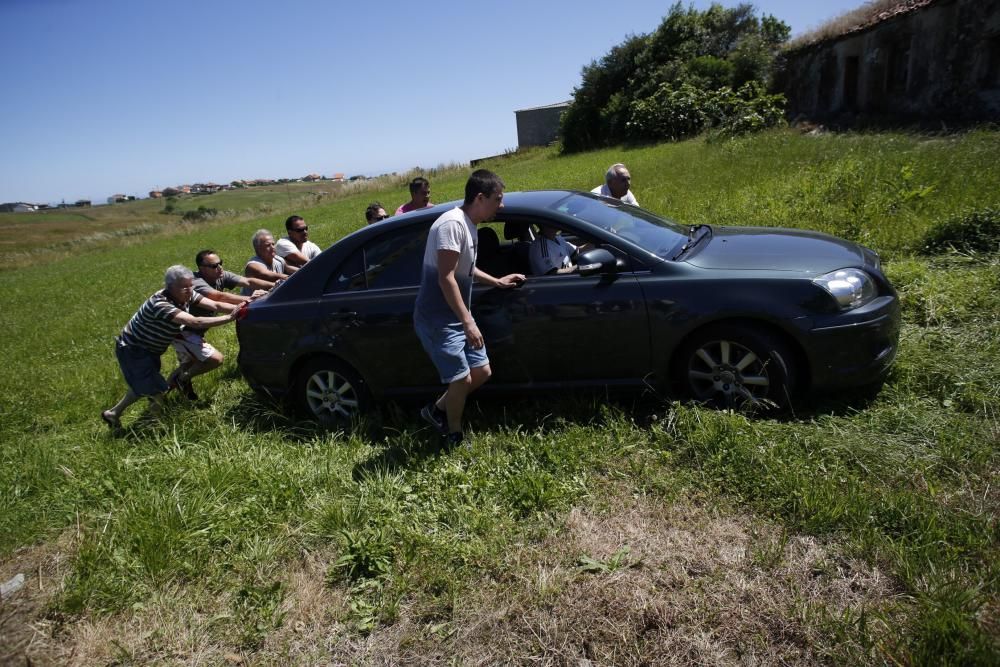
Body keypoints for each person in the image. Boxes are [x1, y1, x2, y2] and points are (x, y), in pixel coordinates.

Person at [413, 169, 525, 445]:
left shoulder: (469, 224)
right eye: (498, 198)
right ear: (479, 197)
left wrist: (497, 281)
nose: (502, 205)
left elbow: (467, 268)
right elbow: (446, 277)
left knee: (482, 371)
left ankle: (435, 410)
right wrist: (468, 321)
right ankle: (453, 433)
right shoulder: (451, 225)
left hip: (456, 314)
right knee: (461, 379)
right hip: (438, 318)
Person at [101, 265, 238, 431]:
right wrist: (231, 317)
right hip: (133, 349)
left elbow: (215, 305)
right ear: (170, 286)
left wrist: (244, 307)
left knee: (143, 385)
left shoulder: (186, 293)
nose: (189, 290)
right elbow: (194, 321)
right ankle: (154, 427)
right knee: (158, 391)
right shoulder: (160, 304)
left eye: (190, 285)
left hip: (150, 350)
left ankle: (112, 414)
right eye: (184, 287)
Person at [172, 250, 271, 400]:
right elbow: (219, 298)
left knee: (188, 364)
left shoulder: (220, 275)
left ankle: (164, 393)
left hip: (194, 331)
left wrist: (277, 286)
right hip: (183, 331)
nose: (219, 268)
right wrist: (250, 299)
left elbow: (249, 281)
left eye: (220, 263)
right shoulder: (196, 282)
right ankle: (179, 382)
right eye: (213, 265)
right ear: (201, 268)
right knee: (213, 360)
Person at [244, 229, 293, 295]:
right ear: (257, 249)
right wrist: (295, 278)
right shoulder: (253, 265)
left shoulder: (278, 260)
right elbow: (269, 275)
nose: (272, 247)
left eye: (273, 244)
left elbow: (291, 269)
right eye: (268, 245)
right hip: (253, 303)